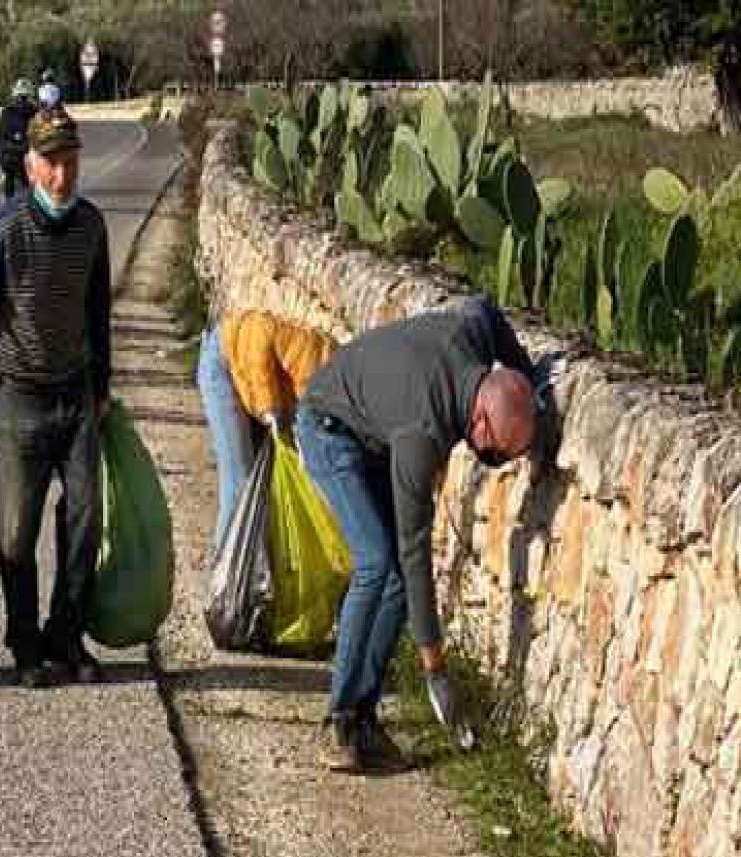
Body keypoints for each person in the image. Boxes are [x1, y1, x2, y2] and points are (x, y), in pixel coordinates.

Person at [295, 295, 539, 773]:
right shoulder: (421, 434)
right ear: (480, 421)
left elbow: (485, 308)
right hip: (328, 427)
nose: (496, 461)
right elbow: (415, 556)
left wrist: (526, 374)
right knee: (379, 564)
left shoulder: (474, 338)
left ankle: (363, 719)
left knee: (392, 582)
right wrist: (435, 670)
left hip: (372, 428)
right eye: (499, 452)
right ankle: (339, 721)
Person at [0, 108, 112, 690]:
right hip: (18, 402)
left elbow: (97, 313)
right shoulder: (4, 232)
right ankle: (25, 641)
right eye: (52, 162)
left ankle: (67, 634)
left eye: (71, 161)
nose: (63, 175)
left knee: (85, 523)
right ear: (32, 165)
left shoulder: (91, 227)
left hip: (77, 394)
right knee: (16, 533)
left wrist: (102, 388)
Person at [198, 306, 336, 551]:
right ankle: (226, 573)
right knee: (239, 481)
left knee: (268, 484)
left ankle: (258, 567)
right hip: (223, 367)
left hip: (248, 382)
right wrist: (269, 409)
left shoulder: (322, 365)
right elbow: (255, 352)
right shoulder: (299, 348)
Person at [0, 78, 36, 200]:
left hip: (11, 157)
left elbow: (1, 138)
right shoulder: (35, 112)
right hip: (26, 157)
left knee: (9, 181)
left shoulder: (7, 112)